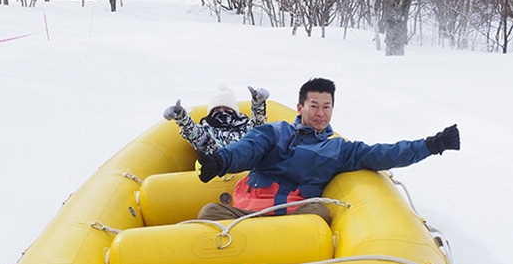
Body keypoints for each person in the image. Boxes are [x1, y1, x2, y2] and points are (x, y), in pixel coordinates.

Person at [195, 77, 460, 224]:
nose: (321, 113)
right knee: (208, 213)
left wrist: (433, 144)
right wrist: (221, 161)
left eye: (327, 106)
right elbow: (247, 149)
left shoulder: (338, 149)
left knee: (319, 216)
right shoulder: (274, 132)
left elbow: (385, 153)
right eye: (314, 105)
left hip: (292, 216)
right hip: (250, 213)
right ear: (300, 108)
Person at [163, 84, 270, 156]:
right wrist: (181, 117)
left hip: (247, 174)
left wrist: (258, 104)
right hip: (218, 176)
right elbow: (193, 133)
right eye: (217, 109)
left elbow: (258, 127)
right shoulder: (208, 132)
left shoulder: (245, 127)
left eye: (227, 108)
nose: (222, 112)